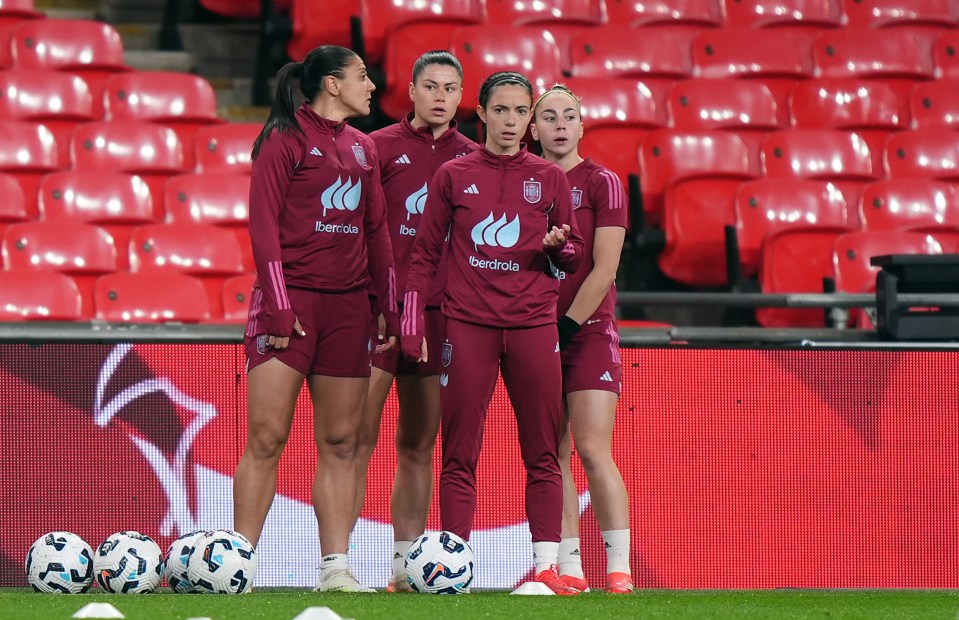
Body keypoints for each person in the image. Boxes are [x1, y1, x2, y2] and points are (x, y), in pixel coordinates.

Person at [401, 71, 585, 595]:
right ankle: (452, 563)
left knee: (544, 450)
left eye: (520, 111)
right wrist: (413, 318)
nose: (510, 121)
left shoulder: (551, 180)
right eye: (500, 110)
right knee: (459, 451)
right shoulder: (454, 176)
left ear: (531, 119)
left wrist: (557, 248)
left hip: (532, 326)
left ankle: (546, 567)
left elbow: (572, 256)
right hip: (468, 326)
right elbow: (425, 253)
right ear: (480, 114)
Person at [233, 45, 398, 594]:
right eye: (362, 76)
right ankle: (240, 563)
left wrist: (386, 304)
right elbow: (263, 228)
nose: (371, 86)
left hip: (349, 308)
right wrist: (279, 304)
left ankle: (335, 567)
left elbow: (377, 232)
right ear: (331, 84)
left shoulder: (364, 149)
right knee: (267, 435)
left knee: (344, 441)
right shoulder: (283, 139)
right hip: (291, 304)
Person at [351, 51, 478, 592]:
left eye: (451, 88)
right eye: (431, 86)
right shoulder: (375, 147)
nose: (441, 97)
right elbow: (352, 226)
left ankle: (405, 569)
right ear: (410, 90)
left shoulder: (474, 159)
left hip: (438, 317)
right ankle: (339, 559)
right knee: (352, 440)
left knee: (418, 445)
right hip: (377, 314)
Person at [529, 84, 632, 594]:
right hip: (534, 331)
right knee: (553, 451)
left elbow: (605, 269)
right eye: (549, 116)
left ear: (582, 126)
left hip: (585, 332)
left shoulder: (603, 182)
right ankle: (570, 569)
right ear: (534, 128)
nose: (560, 124)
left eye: (569, 115)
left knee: (593, 448)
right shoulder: (523, 179)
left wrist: (564, 327)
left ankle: (620, 570)